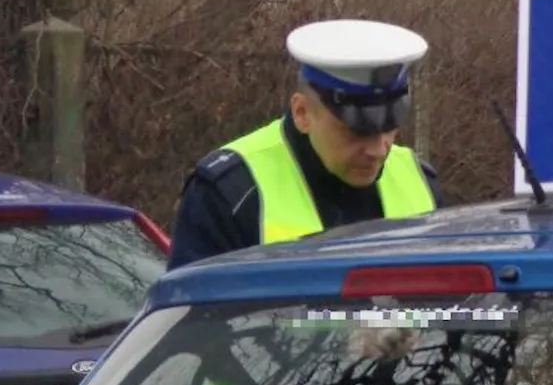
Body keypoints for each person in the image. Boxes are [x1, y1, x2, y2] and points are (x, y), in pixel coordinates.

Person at [167, 18, 446, 270]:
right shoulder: (231, 193)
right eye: (355, 132)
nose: (378, 149)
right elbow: (191, 320)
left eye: (389, 128)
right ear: (302, 113)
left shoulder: (419, 182)